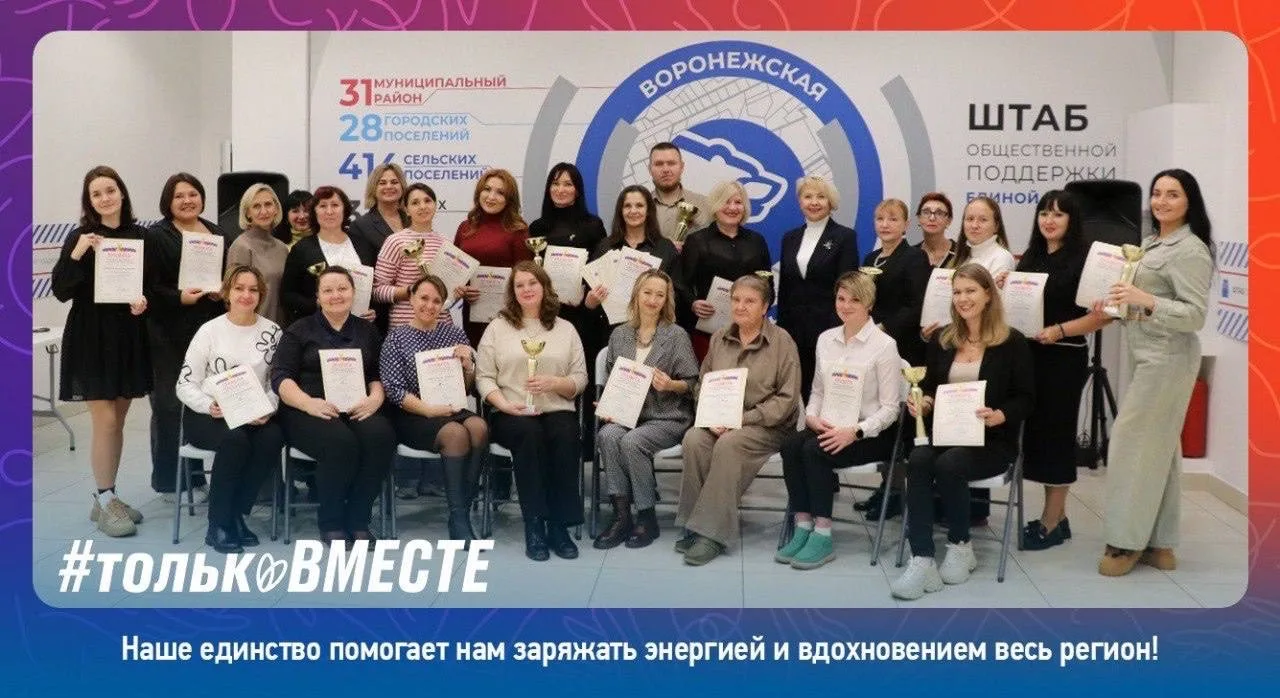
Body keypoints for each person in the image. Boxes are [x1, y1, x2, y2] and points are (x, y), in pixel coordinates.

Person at [890, 263, 1033, 600]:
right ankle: (922, 558)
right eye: (957, 292)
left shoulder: (1012, 341)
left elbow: (1026, 398)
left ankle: (960, 545)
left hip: (992, 440)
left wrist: (1001, 415)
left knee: (950, 464)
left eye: (971, 291)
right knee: (919, 458)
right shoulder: (943, 339)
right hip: (946, 434)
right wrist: (923, 402)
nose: (963, 298)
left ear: (988, 295)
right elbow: (929, 387)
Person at [1096, 168, 1214, 576]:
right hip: (1146, 353)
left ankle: (1125, 542)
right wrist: (1118, 303)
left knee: (1130, 445)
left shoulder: (1191, 250)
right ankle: (1160, 544)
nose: (1162, 201)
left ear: (1189, 201)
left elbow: (1195, 315)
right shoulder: (1151, 243)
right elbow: (1141, 300)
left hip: (1168, 358)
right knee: (1160, 448)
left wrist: (1145, 299)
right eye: (1157, 193)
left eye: (1173, 194)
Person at [51, 165, 152, 537]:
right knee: (105, 421)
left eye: (110, 190)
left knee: (118, 422)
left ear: (122, 193)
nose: (105, 198)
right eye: (96, 194)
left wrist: (144, 300)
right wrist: (76, 253)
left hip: (128, 335)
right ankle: (105, 498)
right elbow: (61, 290)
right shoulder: (80, 237)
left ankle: (107, 498)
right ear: (89, 201)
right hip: (91, 337)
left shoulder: (140, 236)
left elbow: (151, 284)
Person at [776, 271, 902, 570]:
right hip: (831, 423)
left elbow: (890, 409)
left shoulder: (884, 346)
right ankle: (803, 525)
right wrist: (811, 416)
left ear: (869, 304)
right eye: (841, 298)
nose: (845, 306)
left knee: (814, 451)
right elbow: (818, 391)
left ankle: (822, 534)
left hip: (870, 433)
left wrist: (855, 431)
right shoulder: (826, 340)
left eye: (854, 300)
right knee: (791, 445)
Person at [676, 274, 801, 566]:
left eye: (750, 301)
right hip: (721, 420)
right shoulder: (720, 337)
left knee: (730, 444)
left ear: (765, 306)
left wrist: (741, 419)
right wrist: (709, 417)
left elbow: (786, 400)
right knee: (694, 439)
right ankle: (695, 524)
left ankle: (713, 534)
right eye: (736, 299)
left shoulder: (782, 342)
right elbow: (703, 384)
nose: (740, 306)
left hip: (768, 425)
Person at [271, 266, 395, 546]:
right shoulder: (298, 330)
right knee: (340, 442)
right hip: (307, 409)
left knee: (381, 436)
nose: (336, 295)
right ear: (317, 297)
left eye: (342, 288)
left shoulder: (367, 330)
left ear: (353, 292)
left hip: (356, 406)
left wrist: (375, 398)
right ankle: (331, 522)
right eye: (328, 290)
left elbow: (376, 375)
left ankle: (358, 518)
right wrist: (308, 403)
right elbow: (281, 378)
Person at [476, 260, 588, 561]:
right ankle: (535, 523)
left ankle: (559, 525)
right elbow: (484, 376)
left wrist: (556, 382)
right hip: (510, 411)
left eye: (532, 283)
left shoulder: (565, 329)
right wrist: (503, 404)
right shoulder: (497, 328)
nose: (526, 289)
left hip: (556, 408)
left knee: (566, 434)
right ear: (512, 291)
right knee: (529, 435)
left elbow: (580, 378)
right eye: (519, 285)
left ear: (544, 287)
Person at [1016, 190, 1108, 550]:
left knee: (1056, 437)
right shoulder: (1032, 256)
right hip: (1030, 357)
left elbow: (1103, 317)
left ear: (1072, 220)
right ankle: (1059, 517)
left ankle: (1051, 523)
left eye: (1057, 214)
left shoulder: (1085, 259)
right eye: (1043, 213)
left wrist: (1060, 330)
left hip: (1063, 359)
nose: (1049, 220)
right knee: (1037, 437)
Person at [175, 265, 283, 554]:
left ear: (261, 295)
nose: (246, 295)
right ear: (227, 293)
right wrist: (208, 405)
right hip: (210, 414)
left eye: (253, 290)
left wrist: (268, 408)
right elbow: (185, 384)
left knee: (272, 437)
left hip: (254, 413)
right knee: (235, 440)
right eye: (239, 288)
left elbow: (276, 383)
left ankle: (235, 514)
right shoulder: (209, 331)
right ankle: (218, 524)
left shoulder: (273, 332)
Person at [594, 269, 699, 550]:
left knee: (632, 441)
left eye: (659, 295)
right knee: (607, 435)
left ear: (667, 300)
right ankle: (621, 516)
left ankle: (646, 516)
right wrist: (607, 404)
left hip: (667, 416)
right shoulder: (619, 334)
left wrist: (671, 385)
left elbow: (692, 382)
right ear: (636, 295)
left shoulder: (676, 335)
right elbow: (613, 381)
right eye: (647, 292)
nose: (653, 300)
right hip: (628, 415)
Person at [380, 274, 487, 543]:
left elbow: (466, 388)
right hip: (413, 413)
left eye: (437, 301)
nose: (429, 305)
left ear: (443, 304)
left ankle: (462, 507)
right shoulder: (396, 337)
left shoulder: (455, 334)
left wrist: (468, 367)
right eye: (424, 298)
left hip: (451, 406)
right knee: (456, 434)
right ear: (412, 299)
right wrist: (429, 410)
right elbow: (394, 390)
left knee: (479, 426)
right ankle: (459, 519)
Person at [144, 172, 228, 495]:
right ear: (168, 201)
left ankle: (196, 476)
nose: (187, 201)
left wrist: (221, 292)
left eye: (193, 194)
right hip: (167, 333)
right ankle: (169, 480)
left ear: (202, 198)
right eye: (179, 196)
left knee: (203, 400)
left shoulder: (217, 233)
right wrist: (180, 297)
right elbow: (148, 287)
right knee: (169, 406)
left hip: (208, 329)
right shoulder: (156, 236)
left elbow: (227, 277)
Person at [853, 199, 931, 521]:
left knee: (900, 420)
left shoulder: (915, 258)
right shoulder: (870, 259)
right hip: (871, 350)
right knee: (879, 413)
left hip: (902, 349)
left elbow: (917, 306)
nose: (885, 224)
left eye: (893, 219)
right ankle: (886, 487)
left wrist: (884, 328)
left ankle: (899, 492)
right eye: (880, 218)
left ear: (906, 225)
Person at [528, 163, 609, 454]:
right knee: (550, 375)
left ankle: (585, 447)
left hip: (584, 315)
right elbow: (530, 272)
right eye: (555, 183)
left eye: (567, 184)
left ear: (577, 191)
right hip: (548, 316)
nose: (561, 189)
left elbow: (601, 269)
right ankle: (549, 442)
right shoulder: (538, 228)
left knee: (580, 377)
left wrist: (587, 297)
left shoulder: (593, 225)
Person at [777, 175, 860, 399]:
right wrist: (782, 330)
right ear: (800, 201)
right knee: (795, 390)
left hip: (830, 329)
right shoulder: (790, 238)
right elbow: (785, 288)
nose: (814, 202)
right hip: (793, 330)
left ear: (831, 202)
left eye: (821, 197)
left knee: (827, 391)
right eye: (808, 196)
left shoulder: (844, 237)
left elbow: (848, 288)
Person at [680, 179, 772, 360]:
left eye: (738, 202)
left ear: (744, 207)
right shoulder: (697, 241)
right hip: (709, 333)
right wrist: (693, 303)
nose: (732, 207)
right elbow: (682, 284)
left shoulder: (757, 241)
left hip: (750, 332)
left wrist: (762, 308)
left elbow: (768, 285)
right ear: (715, 205)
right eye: (726, 202)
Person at [453, 168, 534, 348]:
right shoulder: (465, 227)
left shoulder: (518, 230)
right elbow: (457, 271)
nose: (491, 197)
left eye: (500, 193)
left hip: (506, 313)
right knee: (476, 356)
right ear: (479, 192)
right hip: (472, 310)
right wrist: (462, 289)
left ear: (509, 199)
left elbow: (525, 276)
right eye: (487, 189)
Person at [280, 185, 379, 325]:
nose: (329, 211)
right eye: (323, 206)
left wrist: (374, 310)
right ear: (314, 212)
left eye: (335, 205)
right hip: (317, 328)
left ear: (345, 209)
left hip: (359, 327)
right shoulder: (302, 249)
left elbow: (376, 288)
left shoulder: (364, 245)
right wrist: (316, 304)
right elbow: (288, 295)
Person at [373, 182, 452, 330]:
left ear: (435, 205)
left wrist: (457, 293)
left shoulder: (446, 243)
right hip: (406, 328)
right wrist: (410, 291)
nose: (422, 206)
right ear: (406, 210)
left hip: (441, 326)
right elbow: (378, 291)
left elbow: (448, 292)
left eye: (427, 201)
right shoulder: (395, 241)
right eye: (415, 203)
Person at [227, 183, 290, 325]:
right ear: (247, 213)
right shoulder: (241, 246)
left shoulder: (282, 248)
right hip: (251, 327)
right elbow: (233, 297)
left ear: (276, 209)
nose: (264, 211)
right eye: (256, 206)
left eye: (268, 204)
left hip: (280, 327)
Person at [649, 141, 711, 244]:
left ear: (682, 167)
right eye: (659, 164)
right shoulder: (638, 207)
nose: (665, 169)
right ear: (650, 169)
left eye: (671, 163)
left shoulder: (705, 205)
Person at [349, 163, 409, 253]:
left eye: (394, 182)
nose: (389, 186)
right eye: (382, 183)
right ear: (373, 188)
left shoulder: (413, 219)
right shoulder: (360, 226)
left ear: (402, 187)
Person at [953, 195, 1016, 279]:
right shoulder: (962, 257)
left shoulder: (1002, 258)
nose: (974, 225)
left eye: (983, 220)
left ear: (996, 226)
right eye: (970, 219)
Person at [914, 192, 957, 269]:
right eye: (926, 212)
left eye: (939, 213)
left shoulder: (961, 253)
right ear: (919, 218)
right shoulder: (910, 255)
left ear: (949, 221)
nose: (932, 218)